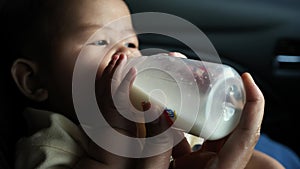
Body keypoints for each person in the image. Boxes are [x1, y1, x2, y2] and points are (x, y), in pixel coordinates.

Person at [0, 0, 286, 168]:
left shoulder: (150, 110)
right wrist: (110, 137)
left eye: (132, 42)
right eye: (99, 41)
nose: (126, 54)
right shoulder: (50, 141)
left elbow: (210, 153)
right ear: (33, 80)